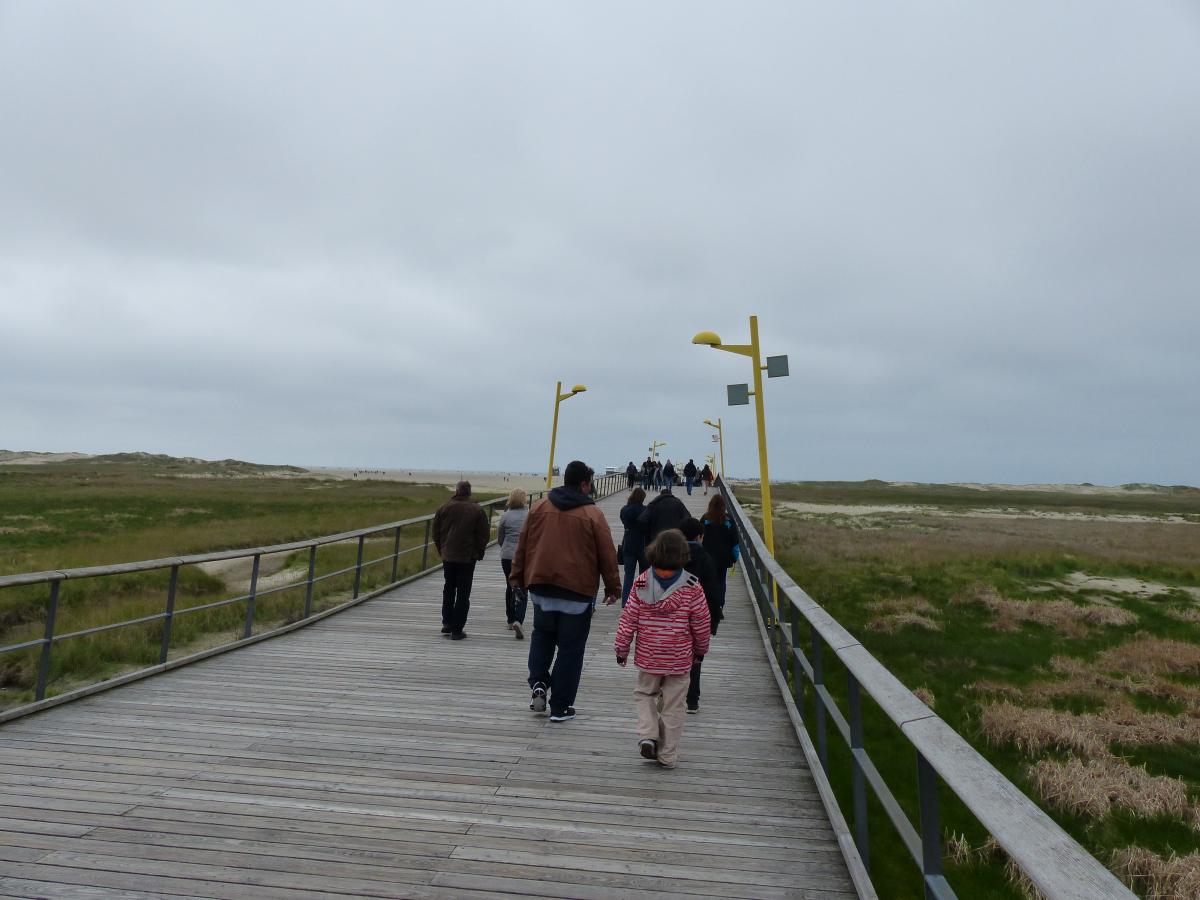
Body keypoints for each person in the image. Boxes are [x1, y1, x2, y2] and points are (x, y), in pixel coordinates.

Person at [509, 460, 620, 722]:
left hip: (541, 587)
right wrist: (613, 587)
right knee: (571, 648)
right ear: (583, 484)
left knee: (542, 637)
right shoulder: (593, 514)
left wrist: (516, 577)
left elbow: (522, 546)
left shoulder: (539, 507)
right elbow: (607, 554)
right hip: (577, 592)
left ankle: (538, 683)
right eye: (590, 484)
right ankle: (560, 706)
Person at [614, 529, 711, 769]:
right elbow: (701, 622)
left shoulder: (641, 582)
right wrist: (700, 651)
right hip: (679, 657)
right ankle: (668, 755)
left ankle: (648, 735)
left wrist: (622, 649)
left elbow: (628, 619)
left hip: (649, 656)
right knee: (673, 705)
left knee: (644, 694)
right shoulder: (692, 586)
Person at [432, 481, 489, 640]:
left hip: (448, 556)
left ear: (456, 491)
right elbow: (483, 535)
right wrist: (478, 552)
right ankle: (457, 629)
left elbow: (435, 532)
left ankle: (447, 623)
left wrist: (442, 550)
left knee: (449, 588)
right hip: (467, 558)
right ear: (469, 492)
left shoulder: (444, 507)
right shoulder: (477, 510)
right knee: (463, 593)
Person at [681, 517, 722, 713]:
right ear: (699, 537)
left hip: (673, 615)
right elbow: (713, 593)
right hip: (698, 615)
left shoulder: (671, 556)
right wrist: (713, 621)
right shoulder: (706, 559)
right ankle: (692, 700)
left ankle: (668, 695)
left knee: (672, 654)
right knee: (696, 657)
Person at [496, 488, 530, 639]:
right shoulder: (530, 515)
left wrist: (507, 547)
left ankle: (510, 620)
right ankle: (518, 620)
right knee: (523, 587)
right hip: (524, 556)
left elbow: (500, 538)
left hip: (507, 556)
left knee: (510, 586)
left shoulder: (505, 516)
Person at [701, 494, 740, 619]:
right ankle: (719, 606)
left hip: (706, 558)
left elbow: (699, 537)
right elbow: (735, 541)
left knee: (706, 582)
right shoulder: (728, 520)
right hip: (723, 559)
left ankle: (707, 606)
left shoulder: (705, 518)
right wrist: (735, 557)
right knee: (721, 582)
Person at [619, 487, 649, 604]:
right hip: (642, 544)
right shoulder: (646, 510)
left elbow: (624, 521)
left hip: (628, 544)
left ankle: (625, 601)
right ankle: (641, 599)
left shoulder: (624, 510)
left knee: (629, 575)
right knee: (643, 575)